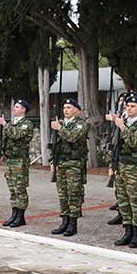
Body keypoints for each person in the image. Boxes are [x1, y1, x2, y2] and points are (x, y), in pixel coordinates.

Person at [111, 94, 137, 248]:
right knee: (123, 201)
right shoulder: (125, 122)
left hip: (135, 169)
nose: (129, 108)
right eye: (128, 106)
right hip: (121, 167)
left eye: (133, 106)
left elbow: (134, 142)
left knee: (135, 201)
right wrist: (112, 165)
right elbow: (115, 146)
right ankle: (127, 232)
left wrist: (122, 127)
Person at [51, 98, 89, 236]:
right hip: (61, 163)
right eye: (64, 107)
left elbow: (73, 138)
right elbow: (55, 145)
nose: (66, 110)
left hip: (74, 164)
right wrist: (52, 161)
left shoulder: (81, 124)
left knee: (73, 194)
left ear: (76, 110)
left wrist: (59, 128)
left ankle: (73, 224)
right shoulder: (60, 123)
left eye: (69, 107)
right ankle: (64, 221)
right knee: (63, 194)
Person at [0, 99, 34, 228]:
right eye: (14, 106)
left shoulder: (26, 124)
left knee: (20, 189)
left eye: (17, 107)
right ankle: (14, 214)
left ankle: (21, 216)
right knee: (12, 189)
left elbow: (16, 135)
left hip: (20, 161)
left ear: (23, 109)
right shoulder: (12, 123)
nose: (14, 108)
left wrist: (5, 125)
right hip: (10, 160)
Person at [105, 92, 131, 225]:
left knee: (131, 194)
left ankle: (130, 219)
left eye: (124, 102)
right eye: (120, 101)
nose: (122, 104)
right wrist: (111, 163)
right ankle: (121, 213)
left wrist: (120, 123)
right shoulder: (120, 118)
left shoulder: (129, 120)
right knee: (120, 191)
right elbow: (114, 141)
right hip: (118, 159)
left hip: (130, 164)